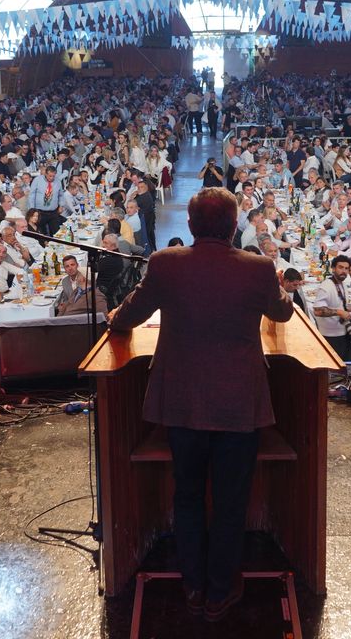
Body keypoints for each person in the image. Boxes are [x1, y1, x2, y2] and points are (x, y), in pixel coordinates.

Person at [106, 187, 294, 622]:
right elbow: (282, 314)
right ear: (234, 226)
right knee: (231, 501)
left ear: (189, 226)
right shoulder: (258, 267)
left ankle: (192, 588)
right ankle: (220, 592)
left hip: (182, 404)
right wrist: (279, 289)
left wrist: (115, 318)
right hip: (238, 404)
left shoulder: (165, 263)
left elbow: (131, 314)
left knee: (187, 495)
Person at [312, 254, 351, 361]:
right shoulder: (326, 286)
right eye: (340, 267)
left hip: (343, 334)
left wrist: (350, 308)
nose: (344, 271)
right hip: (330, 337)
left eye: (346, 268)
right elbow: (318, 311)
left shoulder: (341, 284)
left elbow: (337, 303)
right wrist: (339, 312)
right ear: (333, 268)